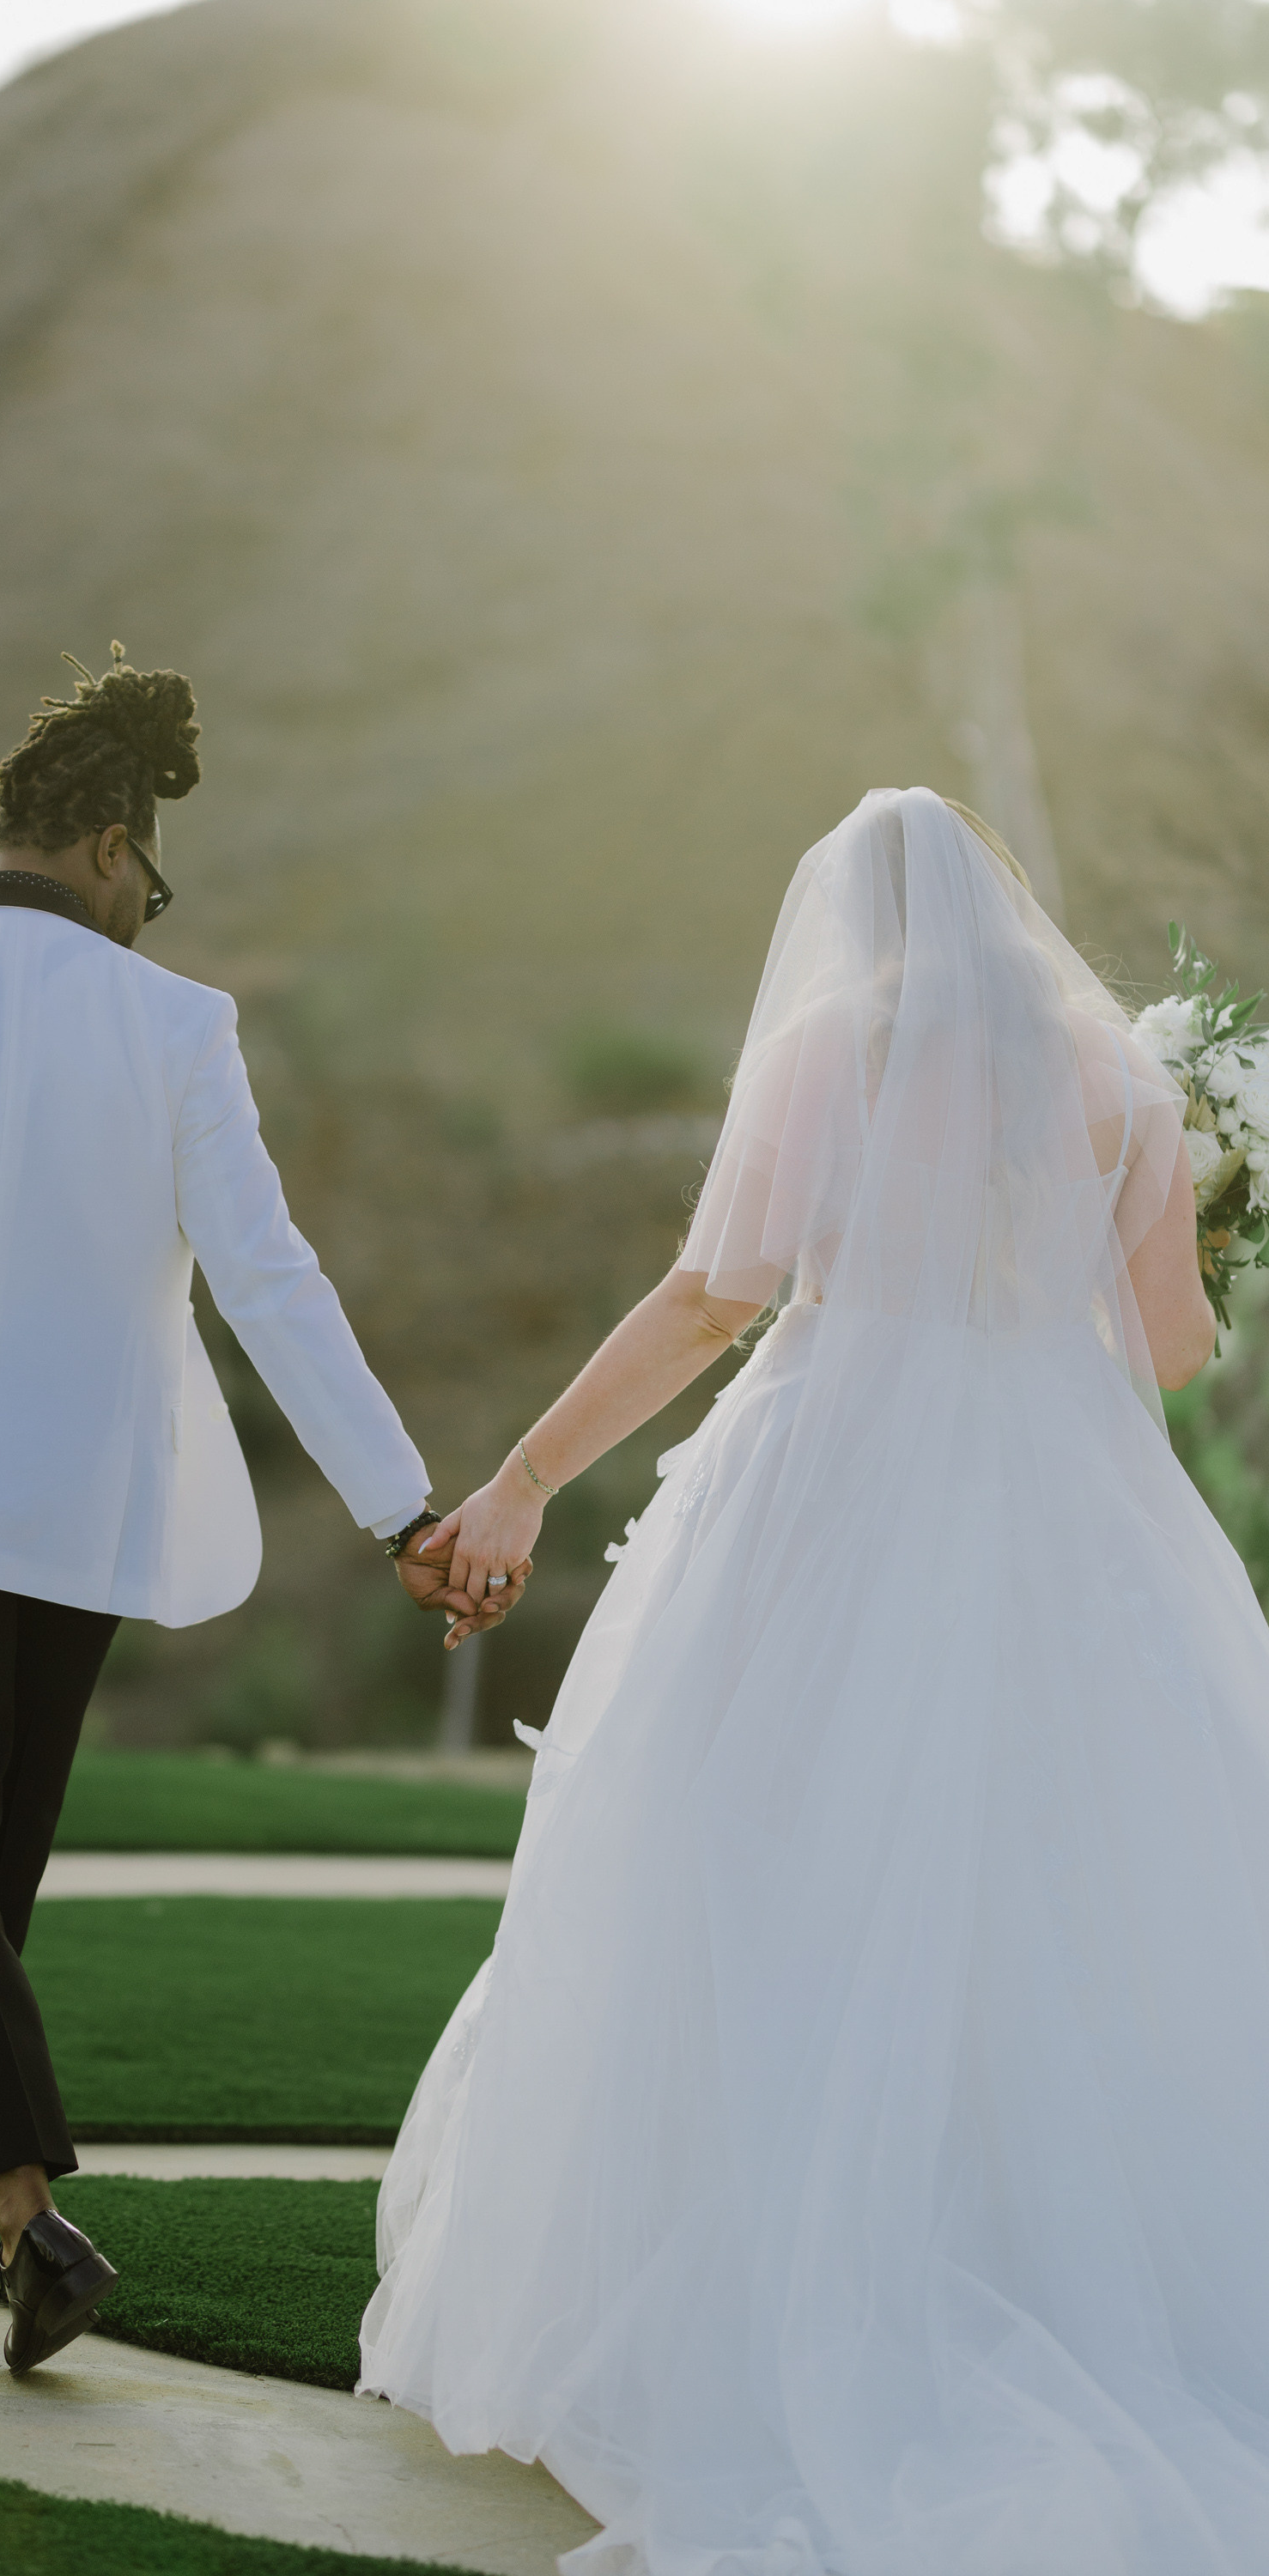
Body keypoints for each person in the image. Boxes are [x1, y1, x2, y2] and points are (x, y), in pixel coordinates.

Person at [358, 787, 1269, 2573]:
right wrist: (1179, 1237)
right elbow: (1169, 1349)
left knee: (759, 1869)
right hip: (1064, 1503)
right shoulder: (1123, 1082)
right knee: (1069, 1893)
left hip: (832, 1480)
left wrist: (524, 1479)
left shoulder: (823, 1053)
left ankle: (785, 2285)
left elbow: (713, 1301)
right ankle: (1056, 2276)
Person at [0, 642, 522, 2375]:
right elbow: (271, 1282)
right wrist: (401, 1510)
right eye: (154, 886)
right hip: (79, 1506)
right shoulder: (176, 1026)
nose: (148, 915)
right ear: (117, 847)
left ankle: (17, 2209)